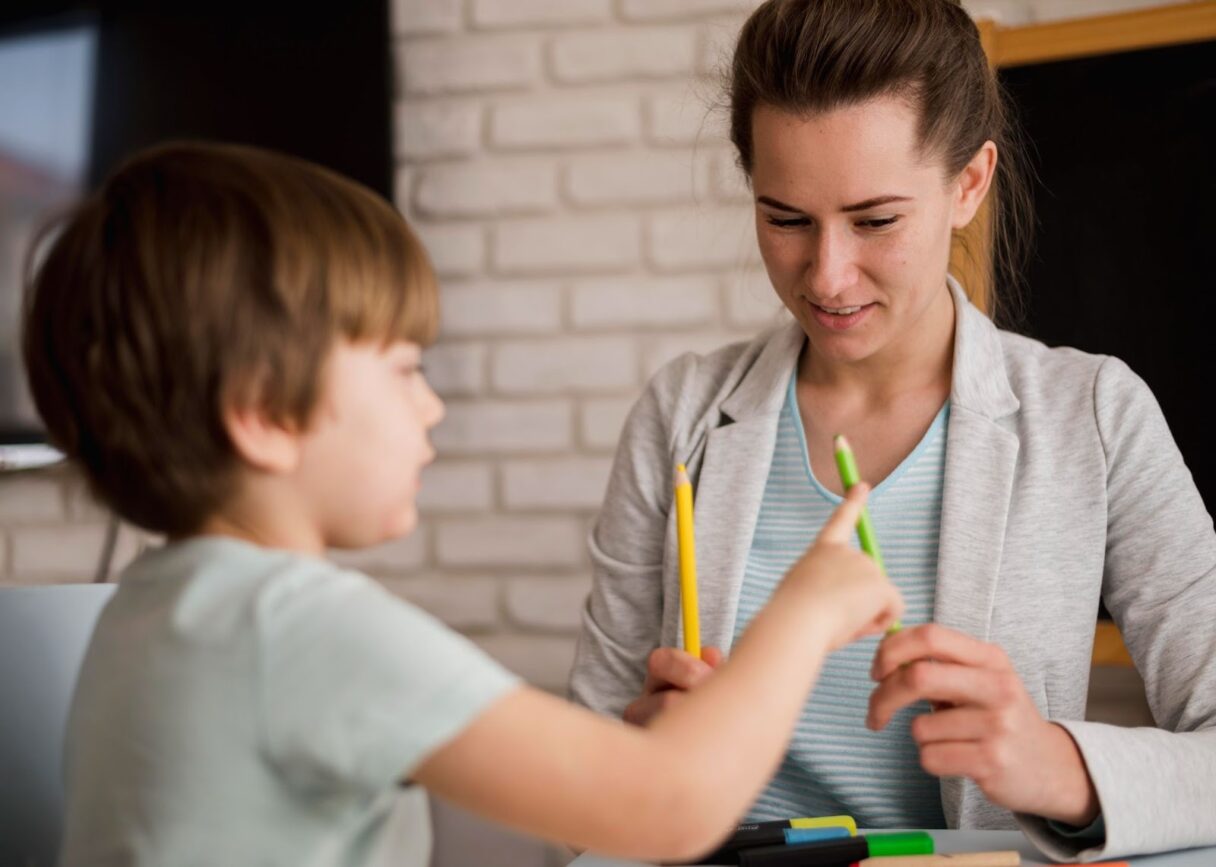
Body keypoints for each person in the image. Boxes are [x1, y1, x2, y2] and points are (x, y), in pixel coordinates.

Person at [22, 141, 902, 867]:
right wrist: (808, 607)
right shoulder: (299, 627)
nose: (431, 405)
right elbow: (669, 804)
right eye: (405, 370)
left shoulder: (143, 612)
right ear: (261, 412)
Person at [568, 0, 1216, 862]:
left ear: (969, 184)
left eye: (876, 221)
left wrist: (1057, 765)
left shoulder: (1093, 416)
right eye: (784, 218)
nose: (828, 276)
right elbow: (577, 762)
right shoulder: (682, 415)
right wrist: (633, 761)